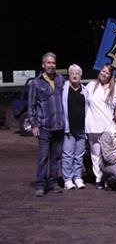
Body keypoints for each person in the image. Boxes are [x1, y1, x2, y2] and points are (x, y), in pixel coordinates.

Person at [28, 52, 65, 197]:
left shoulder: (60, 79)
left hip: (59, 125)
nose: (51, 65)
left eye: (53, 63)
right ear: (43, 65)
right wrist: (34, 125)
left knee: (56, 157)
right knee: (43, 157)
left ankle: (54, 182)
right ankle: (40, 185)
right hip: (44, 126)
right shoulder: (36, 83)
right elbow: (31, 105)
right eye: (48, 63)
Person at [85, 65, 116, 189]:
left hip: (107, 127)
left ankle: (108, 178)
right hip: (92, 125)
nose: (104, 74)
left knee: (107, 155)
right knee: (95, 154)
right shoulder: (90, 86)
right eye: (103, 71)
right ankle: (98, 178)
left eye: (107, 73)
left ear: (111, 76)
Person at [61, 64, 89, 190]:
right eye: (72, 72)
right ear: (69, 75)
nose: (74, 75)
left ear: (80, 76)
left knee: (79, 155)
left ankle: (77, 177)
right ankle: (67, 179)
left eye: (77, 73)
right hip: (69, 128)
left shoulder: (85, 90)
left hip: (82, 129)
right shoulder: (63, 88)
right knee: (68, 155)